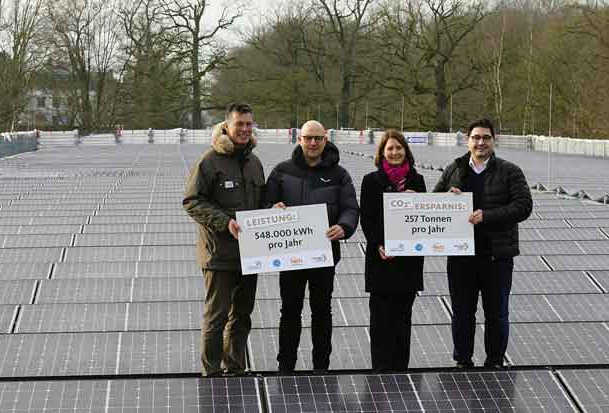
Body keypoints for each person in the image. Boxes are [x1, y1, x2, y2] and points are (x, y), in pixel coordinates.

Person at [433, 118, 532, 368]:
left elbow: (523, 207)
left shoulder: (510, 171)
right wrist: (446, 198)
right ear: (468, 140)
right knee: (462, 314)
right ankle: (462, 360)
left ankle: (495, 361)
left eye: (486, 137)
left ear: (493, 140)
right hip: (460, 257)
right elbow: (432, 202)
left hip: (496, 256)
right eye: (476, 137)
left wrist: (487, 216)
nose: (481, 142)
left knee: (497, 314)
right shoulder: (454, 169)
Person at [265, 120, 359, 373]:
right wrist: (272, 209)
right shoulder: (281, 171)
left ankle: (321, 366)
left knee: (322, 312)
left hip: (324, 254)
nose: (313, 143)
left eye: (318, 138)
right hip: (290, 255)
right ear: (299, 139)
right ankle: (286, 365)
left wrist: (344, 226)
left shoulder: (339, 174)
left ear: (325, 140)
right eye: (308, 138)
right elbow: (265, 205)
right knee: (290, 311)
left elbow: (351, 208)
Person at [182, 103, 264, 376]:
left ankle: (236, 367)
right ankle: (212, 371)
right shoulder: (210, 161)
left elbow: (261, 203)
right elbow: (192, 201)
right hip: (219, 254)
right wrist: (224, 222)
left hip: (250, 254)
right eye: (239, 124)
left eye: (248, 124)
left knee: (242, 315)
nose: (244, 129)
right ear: (226, 126)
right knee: (216, 316)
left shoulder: (254, 163)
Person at [359, 130, 426, 372]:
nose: (395, 152)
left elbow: (424, 220)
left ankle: (400, 369)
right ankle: (381, 369)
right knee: (380, 319)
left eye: (399, 148)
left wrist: (416, 200)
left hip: (408, 262)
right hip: (380, 259)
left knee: (402, 319)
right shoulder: (371, 181)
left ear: (406, 151)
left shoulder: (416, 181)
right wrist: (379, 244)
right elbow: (366, 218)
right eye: (390, 148)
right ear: (382, 153)